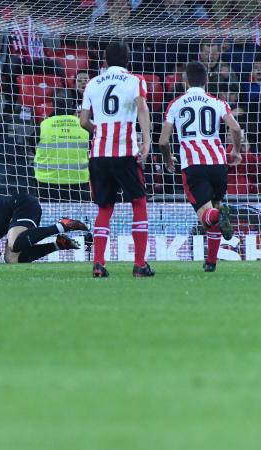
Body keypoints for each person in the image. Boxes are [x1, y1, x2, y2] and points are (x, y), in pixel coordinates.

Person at [159, 61, 242, 273]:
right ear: (206, 80)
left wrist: (168, 160)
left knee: (207, 218)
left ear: (185, 80)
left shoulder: (176, 104)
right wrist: (236, 151)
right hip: (217, 162)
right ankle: (211, 262)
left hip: (193, 164)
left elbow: (163, 141)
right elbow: (235, 127)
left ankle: (219, 215)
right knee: (214, 207)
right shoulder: (217, 102)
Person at [79, 41, 153, 278]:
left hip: (99, 155)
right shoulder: (135, 80)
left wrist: (100, 131)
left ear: (105, 61)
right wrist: (146, 140)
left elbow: (82, 122)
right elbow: (142, 108)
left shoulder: (92, 83)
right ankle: (140, 264)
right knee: (139, 203)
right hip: (125, 153)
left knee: (105, 207)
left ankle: (98, 263)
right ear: (128, 61)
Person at [33, 95, 90, 201]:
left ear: (53, 105)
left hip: (47, 181)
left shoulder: (43, 125)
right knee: (79, 216)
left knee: (49, 215)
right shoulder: (84, 124)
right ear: (72, 105)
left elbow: (32, 144)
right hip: (78, 180)